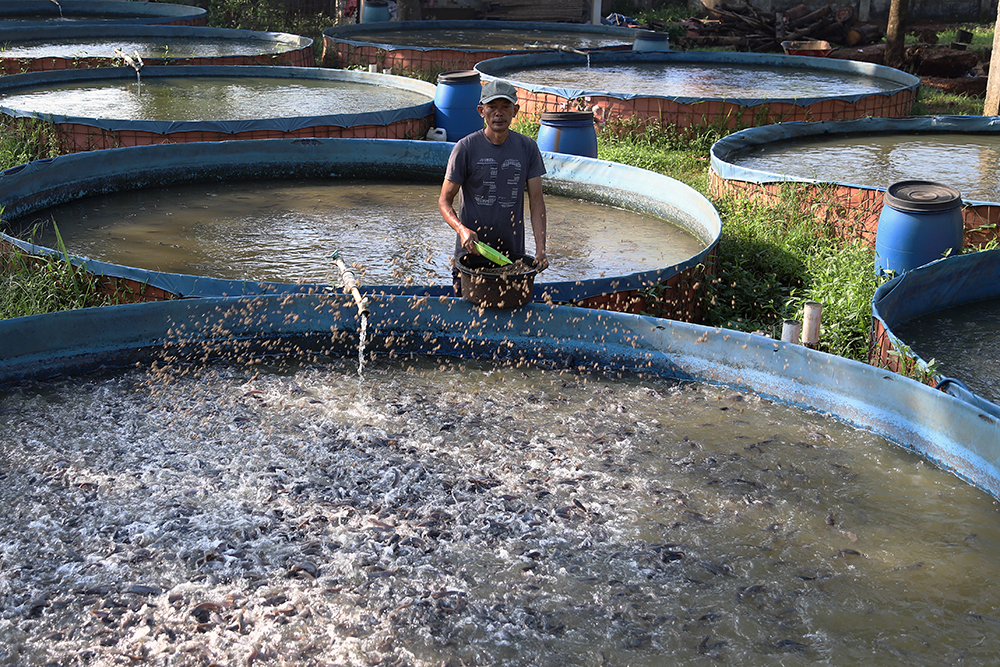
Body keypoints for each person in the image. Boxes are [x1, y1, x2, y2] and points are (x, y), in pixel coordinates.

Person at [438, 79, 548, 295]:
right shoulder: (466, 148)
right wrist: (462, 230)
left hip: (511, 258)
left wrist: (541, 249)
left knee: (510, 318)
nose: (499, 113)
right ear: (481, 111)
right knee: (467, 319)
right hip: (471, 254)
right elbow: (444, 201)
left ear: (515, 110)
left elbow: (537, 201)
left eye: (505, 107)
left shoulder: (527, 148)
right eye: (492, 107)